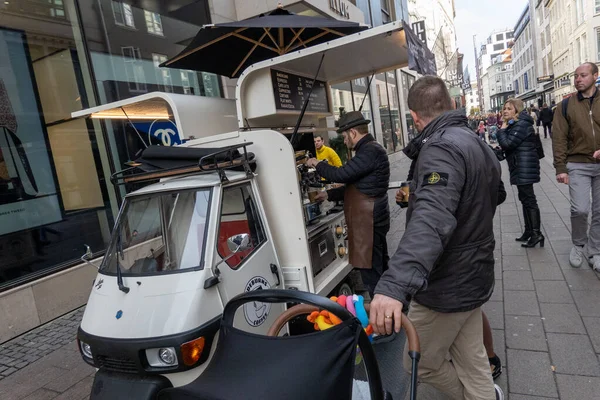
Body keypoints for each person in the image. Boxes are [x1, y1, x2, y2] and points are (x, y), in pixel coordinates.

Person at [370, 76, 505, 400]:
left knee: (421, 364)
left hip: (446, 284)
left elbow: (431, 222)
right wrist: (421, 194)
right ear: (450, 104)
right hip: (473, 274)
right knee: (473, 363)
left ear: (415, 118)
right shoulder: (475, 142)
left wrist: (392, 287)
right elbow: (493, 193)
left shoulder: (441, 148)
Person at [306, 112, 390, 296]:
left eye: (344, 137)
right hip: (371, 218)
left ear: (352, 132)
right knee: (378, 268)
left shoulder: (370, 151)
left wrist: (317, 163)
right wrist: (327, 194)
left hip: (368, 221)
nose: (344, 142)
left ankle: (385, 316)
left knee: (373, 274)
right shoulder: (369, 149)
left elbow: (341, 174)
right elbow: (356, 187)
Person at [553, 62, 600, 271]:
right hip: (577, 164)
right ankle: (579, 244)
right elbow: (559, 138)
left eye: (583, 75)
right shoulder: (565, 105)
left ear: (595, 76)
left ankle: (595, 250)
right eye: (576, 76)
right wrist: (560, 168)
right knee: (580, 209)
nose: (578, 79)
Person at [496, 99, 543, 248]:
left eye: (509, 109)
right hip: (520, 165)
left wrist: (502, 129)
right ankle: (529, 231)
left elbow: (508, 143)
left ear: (517, 110)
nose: (505, 111)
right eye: (504, 109)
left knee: (529, 200)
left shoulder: (521, 124)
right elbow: (510, 146)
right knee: (524, 199)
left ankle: (536, 233)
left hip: (524, 166)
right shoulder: (516, 124)